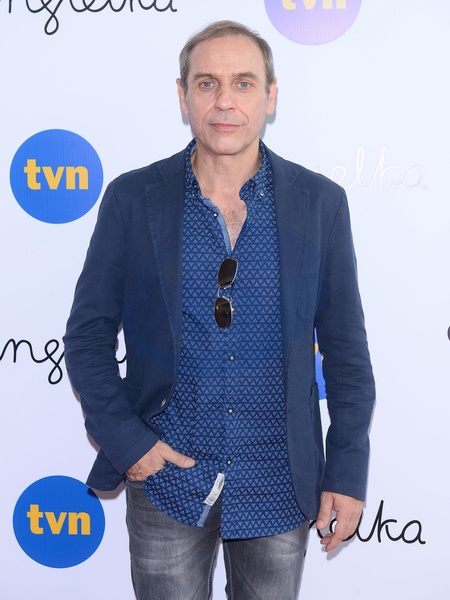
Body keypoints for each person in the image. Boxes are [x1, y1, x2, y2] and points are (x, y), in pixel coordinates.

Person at [64, 20, 375, 600]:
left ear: (270, 97)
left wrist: (346, 472)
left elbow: (347, 355)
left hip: (279, 484)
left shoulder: (320, 204)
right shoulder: (133, 199)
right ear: (183, 97)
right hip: (166, 480)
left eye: (243, 83)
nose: (225, 101)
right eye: (206, 83)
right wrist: (129, 445)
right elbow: (87, 336)